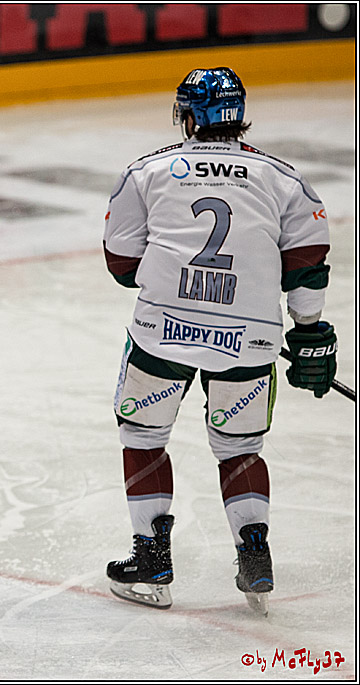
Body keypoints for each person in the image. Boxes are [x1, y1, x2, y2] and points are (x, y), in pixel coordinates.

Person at [102, 67, 336, 614]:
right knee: (239, 448)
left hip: (163, 332)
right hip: (250, 339)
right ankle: (254, 552)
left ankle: (152, 559)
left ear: (187, 115)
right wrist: (308, 334)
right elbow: (306, 264)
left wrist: (179, 287)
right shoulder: (282, 177)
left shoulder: (148, 171)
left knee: (142, 433)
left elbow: (121, 264)